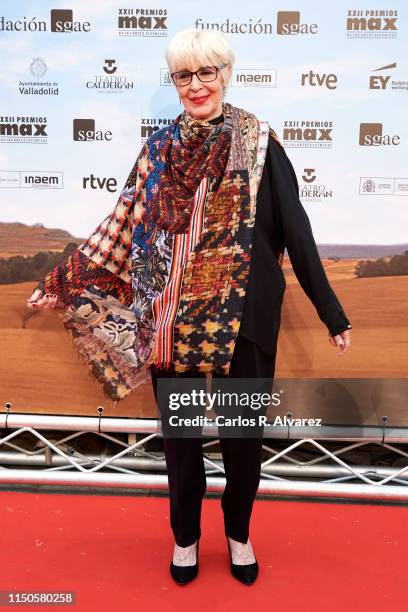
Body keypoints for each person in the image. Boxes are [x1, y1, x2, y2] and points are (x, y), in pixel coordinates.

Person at [27, 28, 352, 586]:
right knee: (180, 443)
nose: (196, 85)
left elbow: (296, 228)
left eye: (207, 72)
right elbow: (122, 223)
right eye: (184, 75)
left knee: (242, 439)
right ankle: (185, 538)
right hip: (173, 317)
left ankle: (239, 534)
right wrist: (62, 280)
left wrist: (331, 310)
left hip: (243, 313)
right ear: (174, 81)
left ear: (225, 74)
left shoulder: (258, 141)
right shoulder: (156, 150)